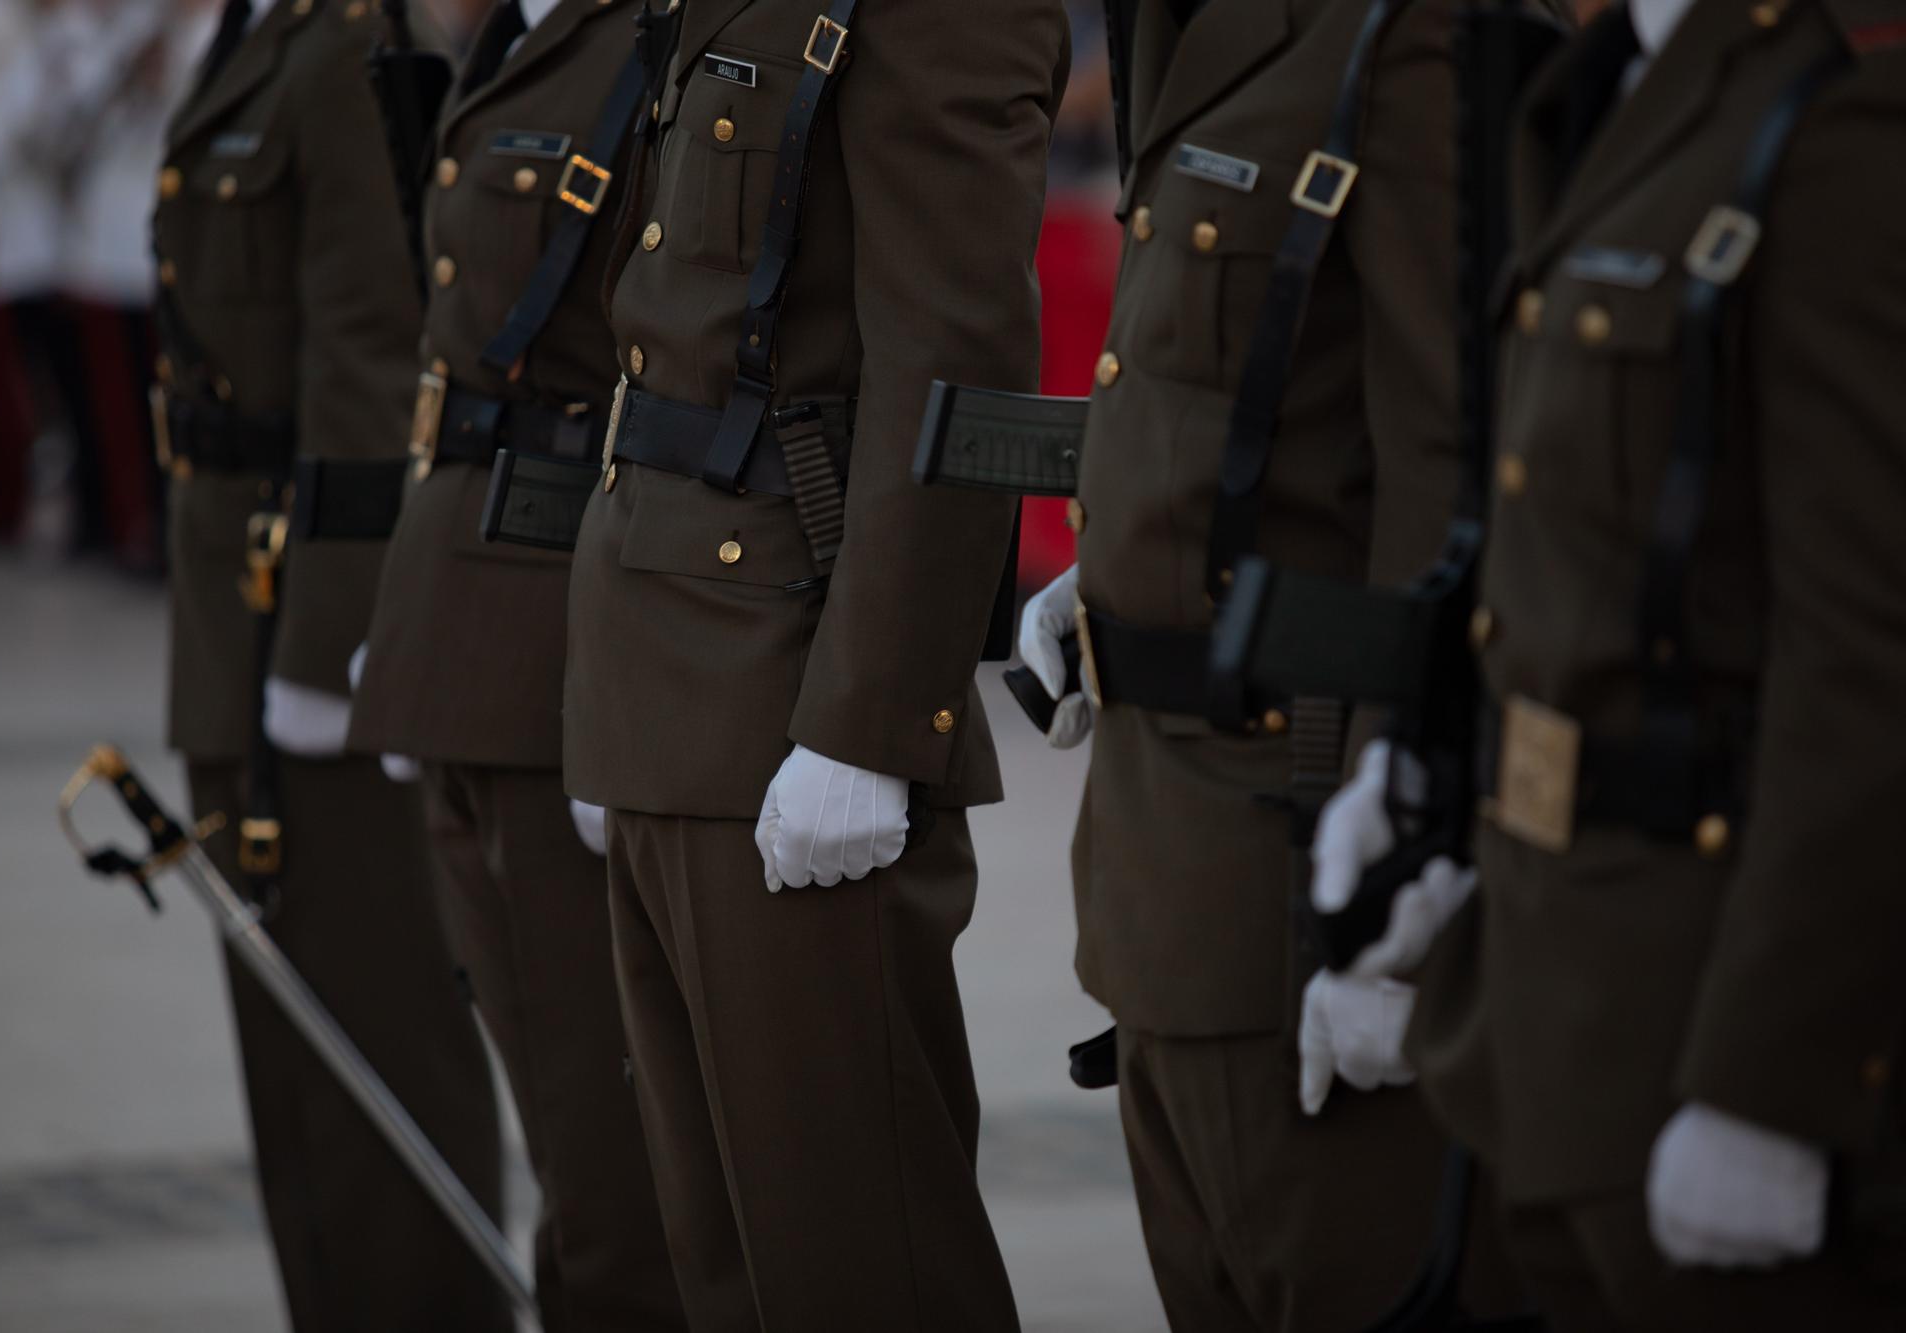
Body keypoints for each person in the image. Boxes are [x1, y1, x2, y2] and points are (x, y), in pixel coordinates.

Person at [1314, 0, 1906, 1325]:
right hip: (1543, 1016)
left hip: (1696, 1022)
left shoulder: (1840, 118)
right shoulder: (1616, 92)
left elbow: (1867, 656)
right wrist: (1434, 787)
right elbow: (1568, 550)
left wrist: (1773, 1079)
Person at [1015, 0, 1547, 1326]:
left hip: (1298, 845)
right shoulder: (1177, 26)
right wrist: (1117, 562)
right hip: (1158, 864)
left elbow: (1448, 483)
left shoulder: (1411, 36)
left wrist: (1396, 896)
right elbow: (1222, 393)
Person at [561, 1, 1070, 1327]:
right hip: (664, 662)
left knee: (857, 1265)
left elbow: (953, 356)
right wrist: (603, 683)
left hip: (789, 677)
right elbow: (659, 341)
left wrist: (871, 722)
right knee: (724, 1264)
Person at [150, 2, 508, 1327]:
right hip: (231, 609)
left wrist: (334, 654)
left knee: (374, 1043)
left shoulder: (357, 42)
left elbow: (378, 347)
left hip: (306, 623)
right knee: (296, 1055)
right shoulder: (269, 26)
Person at [348, 0, 685, 1326]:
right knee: (564, 1135)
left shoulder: (648, 37)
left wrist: (628, 676)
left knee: (607, 1172)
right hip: (463, 630)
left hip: (561, 647)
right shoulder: (506, 36)